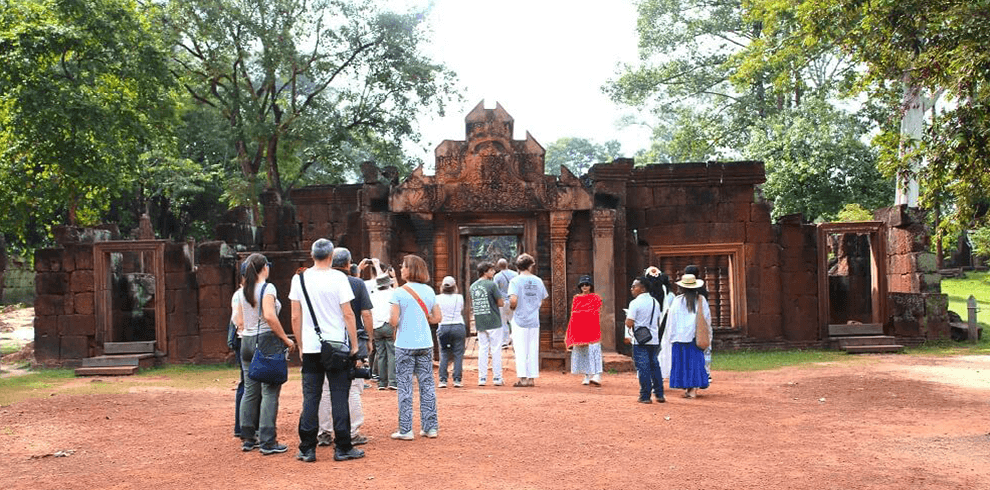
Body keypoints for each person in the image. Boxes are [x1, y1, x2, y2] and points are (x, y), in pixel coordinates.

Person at [288, 238, 364, 463]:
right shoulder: (339, 278)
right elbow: (348, 314)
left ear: (312, 256)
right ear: (331, 257)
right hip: (338, 347)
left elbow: (295, 315)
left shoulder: (299, 278)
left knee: (311, 397)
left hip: (312, 346)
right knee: (340, 396)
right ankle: (342, 447)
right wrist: (355, 345)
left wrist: (301, 345)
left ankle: (307, 448)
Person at [233, 253, 295, 454]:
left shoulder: (242, 291)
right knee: (270, 390)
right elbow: (269, 315)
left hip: (247, 341)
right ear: (264, 268)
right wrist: (285, 339)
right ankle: (268, 440)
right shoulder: (268, 288)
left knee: (251, 390)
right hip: (266, 340)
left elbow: (240, 321)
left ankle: (248, 437)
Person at [316, 248, 374, 447]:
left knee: (324, 387)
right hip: (352, 339)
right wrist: (369, 338)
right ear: (349, 264)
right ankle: (352, 431)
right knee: (353, 388)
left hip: (326, 342)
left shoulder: (321, 282)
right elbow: (366, 314)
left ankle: (324, 432)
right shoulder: (357, 283)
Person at [389, 254, 442, 440]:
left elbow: (394, 320)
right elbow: (437, 318)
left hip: (404, 344)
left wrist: (399, 320)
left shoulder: (398, 292)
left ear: (410, 269)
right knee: (427, 385)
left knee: (405, 387)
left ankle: (406, 429)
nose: (401, 269)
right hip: (425, 343)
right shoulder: (429, 291)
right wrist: (422, 319)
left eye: (403, 266)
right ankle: (430, 427)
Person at [664, 273, 712, 399]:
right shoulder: (701, 300)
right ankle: (693, 389)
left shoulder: (677, 301)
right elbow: (706, 319)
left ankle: (689, 388)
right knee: (695, 363)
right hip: (694, 337)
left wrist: (670, 336)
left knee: (682, 363)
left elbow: (671, 320)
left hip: (679, 338)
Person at [507, 253, 548, 387]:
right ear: (530, 266)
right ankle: (531, 378)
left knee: (520, 349)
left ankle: (523, 378)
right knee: (533, 348)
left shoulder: (515, 281)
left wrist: (513, 308)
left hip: (520, 318)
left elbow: (513, 299)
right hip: (534, 319)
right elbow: (542, 300)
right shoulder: (538, 280)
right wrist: (534, 307)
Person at [625, 276, 663, 403]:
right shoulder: (655, 302)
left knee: (643, 367)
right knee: (654, 366)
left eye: (634, 286)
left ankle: (645, 396)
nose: (632, 289)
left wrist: (627, 322)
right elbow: (657, 320)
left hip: (640, 340)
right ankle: (659, 394)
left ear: (642, 288)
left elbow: (629, 322)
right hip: (653, 338)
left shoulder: (635, 303)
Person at [564, 275, 603, 386]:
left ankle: (597, 374)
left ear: (591, 286)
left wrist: (583, 313)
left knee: (594, 351)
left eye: (587, 284)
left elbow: (596, 312)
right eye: (582, 285)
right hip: (580, 329)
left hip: (592, 328)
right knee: (583, 353)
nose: (584, 286)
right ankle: (586, 375)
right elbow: (574, 314)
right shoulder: (576, 298)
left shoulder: (595, 297)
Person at [470, 262, 504, 386]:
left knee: (482, 350)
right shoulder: (492, 285)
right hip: (493, 320)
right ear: (485, 272)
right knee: (496, 350)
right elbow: (500, 303)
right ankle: (497, 378)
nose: (493, 272)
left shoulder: (473, 286)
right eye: (491, 270)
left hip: (480, 320)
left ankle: (482, 378)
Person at [368, 260, 397, 390]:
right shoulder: (392, 293)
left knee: (380, 354)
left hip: (376, 327)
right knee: (392, 353)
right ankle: (392, 381)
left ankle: (382, 382)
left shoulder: (372, 295)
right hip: (389, 325)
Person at [227, 261, 248, 438]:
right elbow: (238, 320)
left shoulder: (239, 294)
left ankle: (242, 426)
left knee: (246, 382)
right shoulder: (241, 294)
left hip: (243, 339)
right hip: (246, 339)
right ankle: (244, 426)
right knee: (248, 383)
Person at [683, 264, 713, 384]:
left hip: (687, 328)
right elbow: (707, 315)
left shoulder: (681, 297)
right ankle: (706, 372)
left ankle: (693, 375)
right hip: (702, 325)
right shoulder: (702, 294)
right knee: (705, 349)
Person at [435, 276, 466, 388]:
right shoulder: (459, 297)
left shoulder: (437, 298)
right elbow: (461, 309)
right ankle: (457, 379)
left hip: (443, 326)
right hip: (458, 325)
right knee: (458, 354)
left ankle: (443, 380)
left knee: (443, 353)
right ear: (454, 287)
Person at [492, 258, 517, 347]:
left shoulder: (497, 276)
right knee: (513, 321)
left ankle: (505, 340)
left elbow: (495, 290)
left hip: (502, 302)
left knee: (503, 321)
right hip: (513, 301)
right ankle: (514, 340)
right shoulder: (515, 274)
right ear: (508, 264)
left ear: (498, 266)